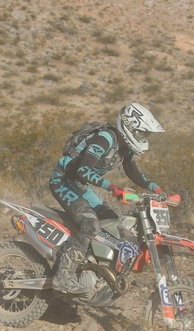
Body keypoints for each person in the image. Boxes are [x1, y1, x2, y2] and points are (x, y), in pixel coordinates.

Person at [49, 102, 166, 294]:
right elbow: (83, 170)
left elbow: (132, 170)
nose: (144, 138)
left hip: (79, 185)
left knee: (112, 222)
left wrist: (155, 188)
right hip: (62, 181)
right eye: (142, 133)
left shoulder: (124, 147)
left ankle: (92, 267)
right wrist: (113, 188)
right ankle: (63, 276)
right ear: (129, 126)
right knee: (90, 223)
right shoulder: (104, 139)